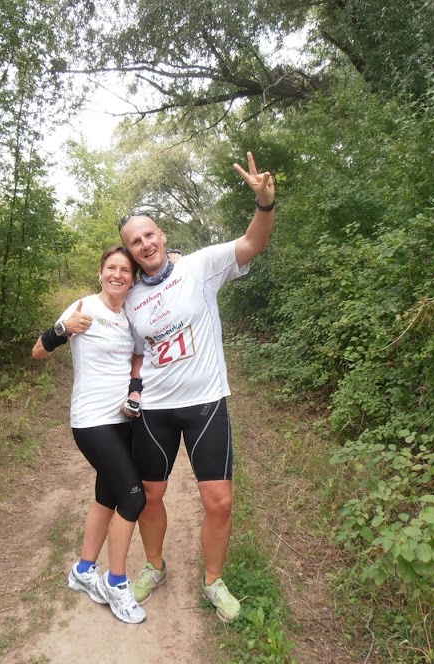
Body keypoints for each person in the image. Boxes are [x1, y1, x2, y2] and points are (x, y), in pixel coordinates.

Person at [117, 151, 276, 622]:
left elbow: (252, 243)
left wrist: (264, 204)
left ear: (162, 236)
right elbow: (135, 351)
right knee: (150, 495)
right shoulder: (130, 298)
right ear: (130, 252)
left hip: (206, 403)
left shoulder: (201, 266)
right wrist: (134, 387)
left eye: (149, 235)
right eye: (135, 242)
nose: (144, 244)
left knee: (219, 501)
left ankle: (213, 581)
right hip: (156, 410)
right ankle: (154, 566)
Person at [32, 246, 147, 624]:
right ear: (100, 273)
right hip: (91, 421)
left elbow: (137, 358)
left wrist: (134, 391)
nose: (118, 275)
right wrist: (62, 329)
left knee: (107, 497)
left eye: (125, 270)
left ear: (132, 279)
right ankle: (116, 582)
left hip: (123, 421)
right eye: (111, 268)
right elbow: (38, 351)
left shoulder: (129, 315)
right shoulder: (84, 307)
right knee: (133, 498)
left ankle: (83, 570)